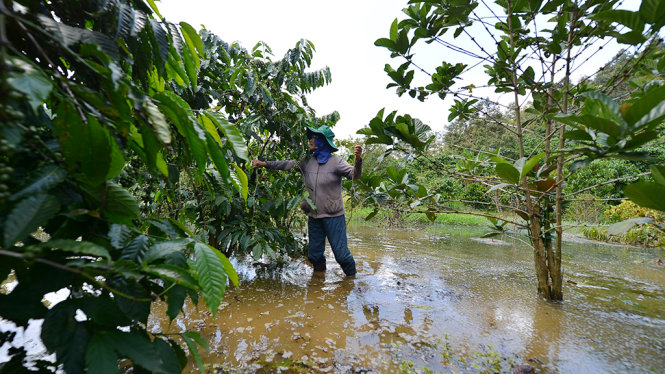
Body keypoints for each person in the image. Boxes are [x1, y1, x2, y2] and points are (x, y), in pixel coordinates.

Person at [252, 125, 363, 277]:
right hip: (314, 216)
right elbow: (287, 164)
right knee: (314, 256)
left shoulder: (336, 162)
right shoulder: (306, 162)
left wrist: (358, 160)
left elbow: (354, 175)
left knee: (342, 256)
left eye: (314, 138)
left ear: (323, 141)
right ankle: (318, 282)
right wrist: (265, 164)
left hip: (333, 217)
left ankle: (352, 281)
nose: (311, 140)